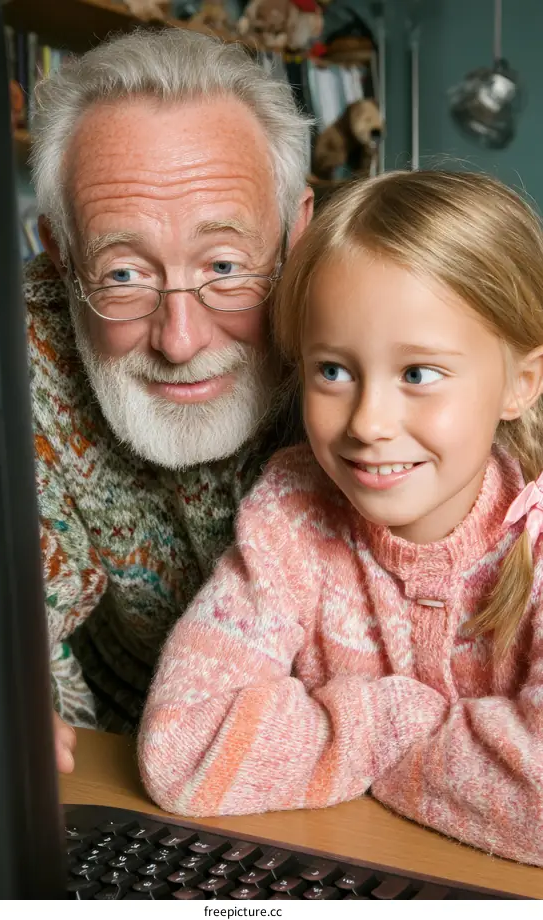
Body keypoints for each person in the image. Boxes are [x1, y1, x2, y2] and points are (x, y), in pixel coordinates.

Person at [140, 170, 543, 867]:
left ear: (521, 384)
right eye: (333, 371)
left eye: (417, 374)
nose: (368, 423)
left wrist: (337, 747)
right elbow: (180, 748)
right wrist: (391, 723)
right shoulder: (293, 514)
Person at [25, 27, 314, 772]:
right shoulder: (9, 354)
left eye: (224, 265)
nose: (180, 341)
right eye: (124, 275)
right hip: (132, 756)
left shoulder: (384, 332)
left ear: (297, 230)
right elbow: (0, 627)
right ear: (60, 252)